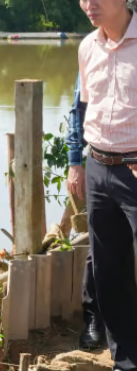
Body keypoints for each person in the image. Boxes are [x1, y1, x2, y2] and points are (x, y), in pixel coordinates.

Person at [74, 0, 137, 371]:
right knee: (110, 272)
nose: (89, 4)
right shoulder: (87, 47)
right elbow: (82, 106)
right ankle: (128, 368)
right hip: (99, 167)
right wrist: (78, 162)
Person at [65, 72, 108, 350]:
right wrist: (74, 159)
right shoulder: (92, 50)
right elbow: (78, 110)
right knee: (100, 244)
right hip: (102, 160)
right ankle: (94, 319)